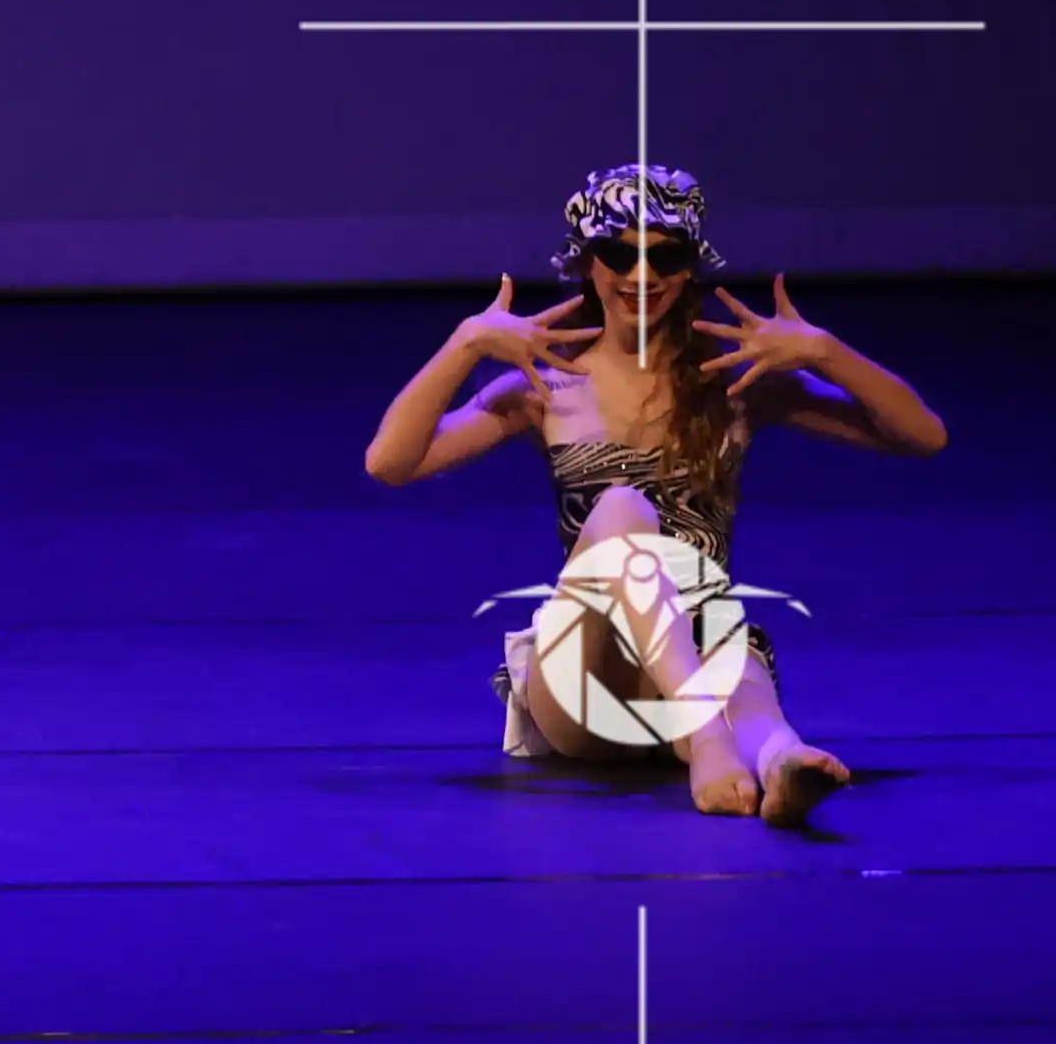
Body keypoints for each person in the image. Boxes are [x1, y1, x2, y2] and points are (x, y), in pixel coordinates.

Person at [359, 163, 945, 825]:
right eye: (620, 254)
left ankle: (780, 761)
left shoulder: (733, 382)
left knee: (732, 646)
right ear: (586, 262)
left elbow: (922, 436)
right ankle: (708, 741)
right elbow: (390, 462)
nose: (642, 276)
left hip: (695, 654)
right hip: (588, 684)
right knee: (622, 507)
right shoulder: (548, 386)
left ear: (691, 267)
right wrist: (466, 342)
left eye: (664, 257)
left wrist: (825, 351)